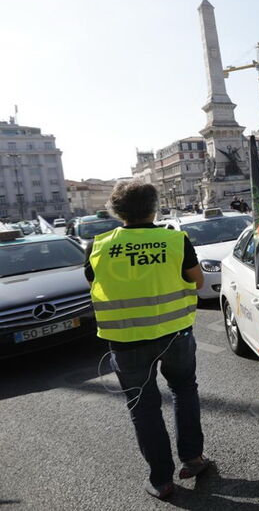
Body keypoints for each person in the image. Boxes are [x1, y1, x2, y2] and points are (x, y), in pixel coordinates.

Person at [85, 180, 208, 499]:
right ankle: (193, 459)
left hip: (126, 341)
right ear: (154, 207)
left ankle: (161, 480)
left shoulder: (98, 245)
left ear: (116, 211)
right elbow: (198, 281)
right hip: (175, 334)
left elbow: (93, 281)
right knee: (184, 390)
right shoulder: (175, 240)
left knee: (144, 407)